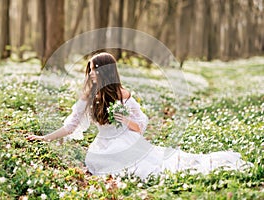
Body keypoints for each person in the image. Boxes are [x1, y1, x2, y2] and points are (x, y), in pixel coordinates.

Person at [27, 52, 252, 179]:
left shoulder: (122, 94)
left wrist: (126, 121)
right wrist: (43, 139)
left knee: (153, 168)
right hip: (101, 147)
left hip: (127, 142)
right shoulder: (87, 96)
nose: (92, 73)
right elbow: (71, 125)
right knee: (99, 162)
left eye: (96, 69)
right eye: (90, 69)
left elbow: (141, 122)